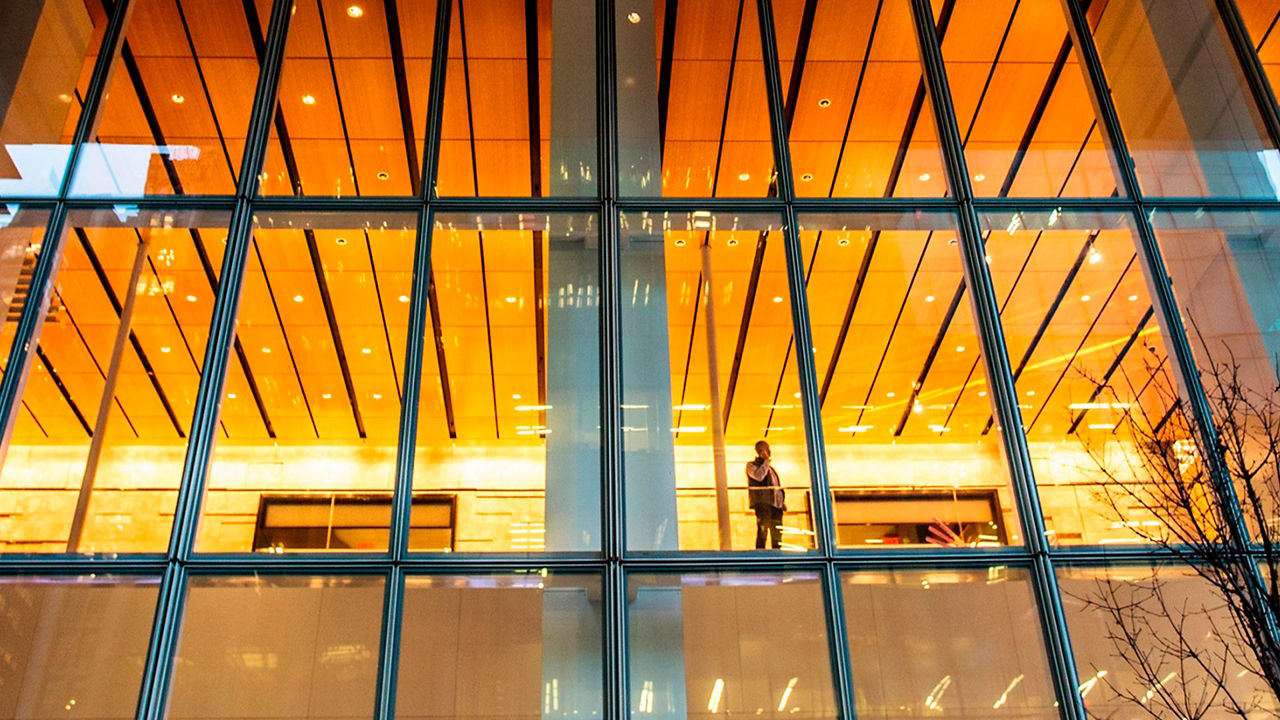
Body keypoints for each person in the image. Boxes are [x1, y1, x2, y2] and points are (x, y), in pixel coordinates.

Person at [746, 440, 785, 549]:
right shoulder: (752, 466)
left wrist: (782, 501)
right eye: (767, 449)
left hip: (776, 505)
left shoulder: (771, 469)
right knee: (763, 530)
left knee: (777, 532)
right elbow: (759, 476)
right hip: (763, 503)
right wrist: (766, 461)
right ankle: (760, 552)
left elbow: (776, 485)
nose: (769, 451)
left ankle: (777, 553)